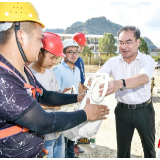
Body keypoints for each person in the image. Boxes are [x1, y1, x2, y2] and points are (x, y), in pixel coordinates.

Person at [0, 2, 109, 158]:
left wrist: (76, 97)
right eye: (39, 39)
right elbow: (42, 121)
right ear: (21, 36)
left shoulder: (23, 71)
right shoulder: (3, 78)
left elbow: (45, 96)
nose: (40, 47)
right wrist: (85, 114)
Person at [97, 26, 156, 158]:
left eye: (128, 42)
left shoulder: (147, 60)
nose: (124, 46)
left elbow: (143, 78)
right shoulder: (113, 62)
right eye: (121, 42)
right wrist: (91, 82)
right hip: (122, 111)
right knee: (122, 152)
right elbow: (99, 75)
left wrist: (119, 83)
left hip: (144, 111)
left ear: (138, 42)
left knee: (149, 149)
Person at [29, 32, 71, 158]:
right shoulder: (29, 75)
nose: (55, 61)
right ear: (40, 52)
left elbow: (54, 94)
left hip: (57, 131)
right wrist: (49, 106)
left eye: (57, 58)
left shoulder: (51, 73)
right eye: (52, 57)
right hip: (43, 135)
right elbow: (27, 108)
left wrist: (63, 95)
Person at [53, 39, 85, 158]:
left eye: (76, 52)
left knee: (71, 144)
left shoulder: (76, 70)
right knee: (61, 147)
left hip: (73, 112)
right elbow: (54, 94)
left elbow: (78, 86)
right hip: (62, 114)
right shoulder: (57, 70)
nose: (73, 55)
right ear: (63, 54)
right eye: (70, 52)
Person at [72, 32, 90, 146]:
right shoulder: (77, 59)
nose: (82, 48)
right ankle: (75, 143)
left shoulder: (73, 58)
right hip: (79, 92)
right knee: (79, 117)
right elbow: (80, 80)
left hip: (76, 91)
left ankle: (75, 141)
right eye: (82, 45)